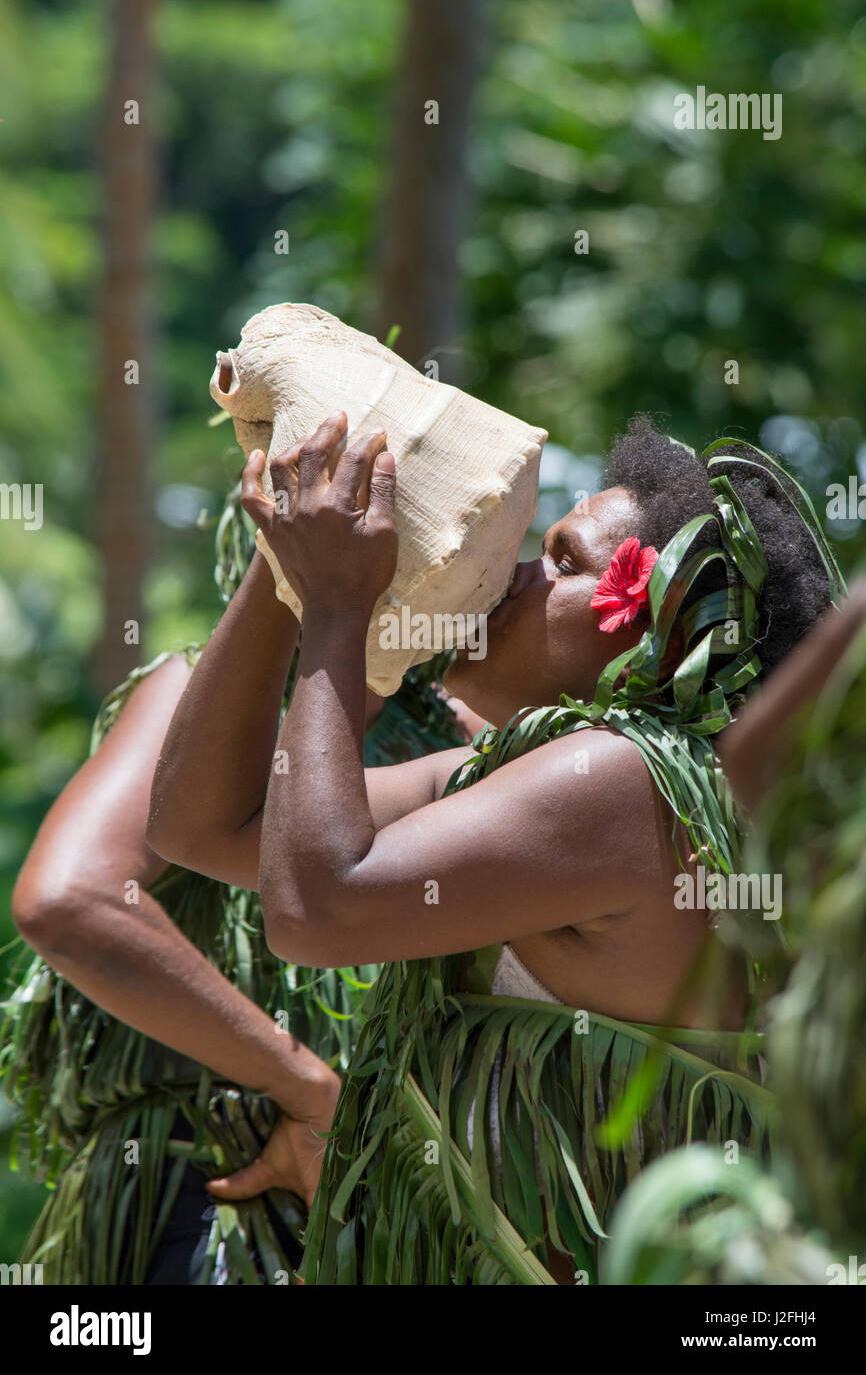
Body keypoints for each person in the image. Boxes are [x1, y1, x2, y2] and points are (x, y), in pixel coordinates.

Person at [149, 410, 845, 1284]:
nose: (513, 578)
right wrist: (287, 567)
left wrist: (336, 604)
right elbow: (203, 828)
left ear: (655, 630)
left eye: (562, 561)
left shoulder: (620, 783)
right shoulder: (530, 775)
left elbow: (313, 906)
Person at [2, 478, 477, 1285]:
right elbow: (72, 899)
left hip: (377, 1215)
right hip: (204, 1196)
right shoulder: (202, 698)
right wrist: (304, 1086)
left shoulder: (451, 732)